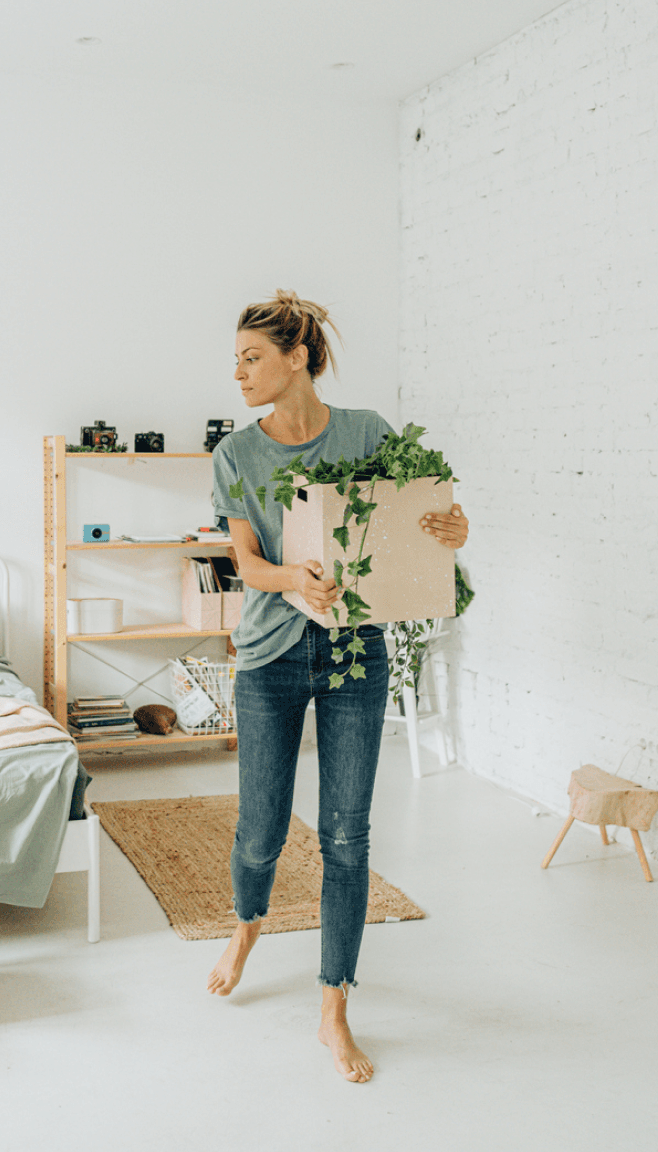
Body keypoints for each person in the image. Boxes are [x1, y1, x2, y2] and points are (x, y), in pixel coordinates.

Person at [205, 290, 470, 1083]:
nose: (240, 372)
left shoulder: (366, 436)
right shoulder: (236, 456)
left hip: (356, 657)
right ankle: (248, 924)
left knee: (347, 838)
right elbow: (246, 566)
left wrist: (452, 531)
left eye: (253, 357)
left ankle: (333, 1006)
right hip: (269, 659)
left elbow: (415, 527)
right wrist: (296, 580)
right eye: (239, 359)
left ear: (297, 357)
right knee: (261, 832)